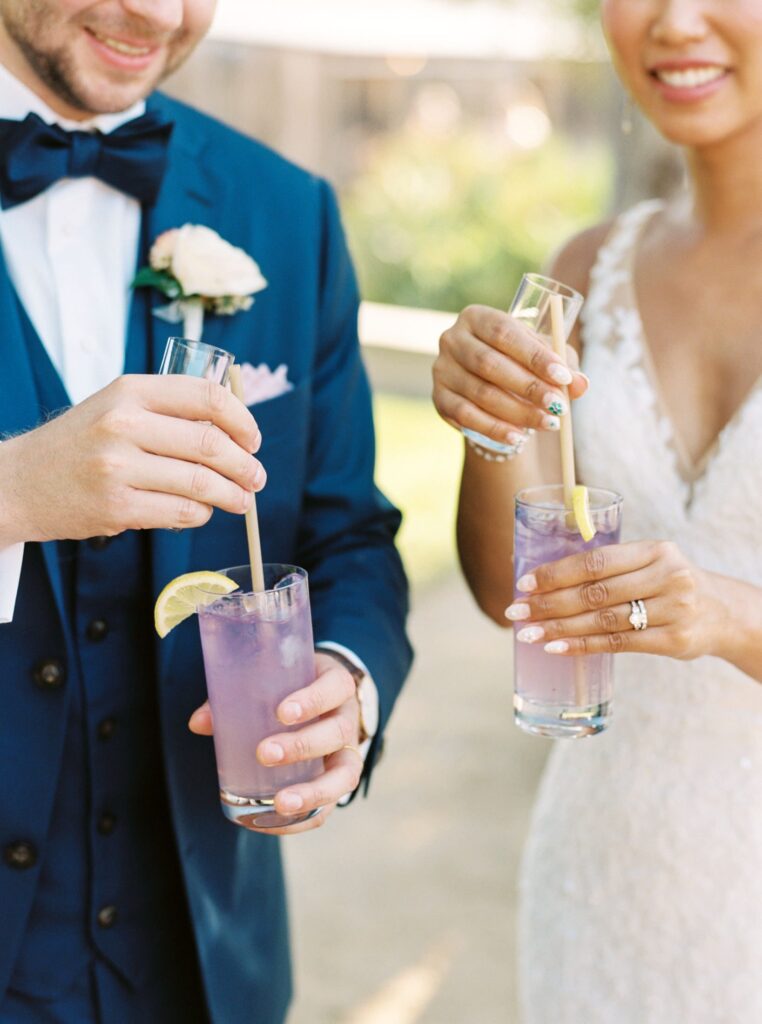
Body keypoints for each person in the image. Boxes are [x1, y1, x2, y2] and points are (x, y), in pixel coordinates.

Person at [0, 2, 412, 1021]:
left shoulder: (285, 209)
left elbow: (348, 529)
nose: (158, 13)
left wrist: (348, 686)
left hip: (205, 966)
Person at [432, 1, 762, 1021]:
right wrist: (487, 420)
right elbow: (512, 595)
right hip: (601, 873)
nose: (673, 21)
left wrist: (731, 613)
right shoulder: (585, 267)